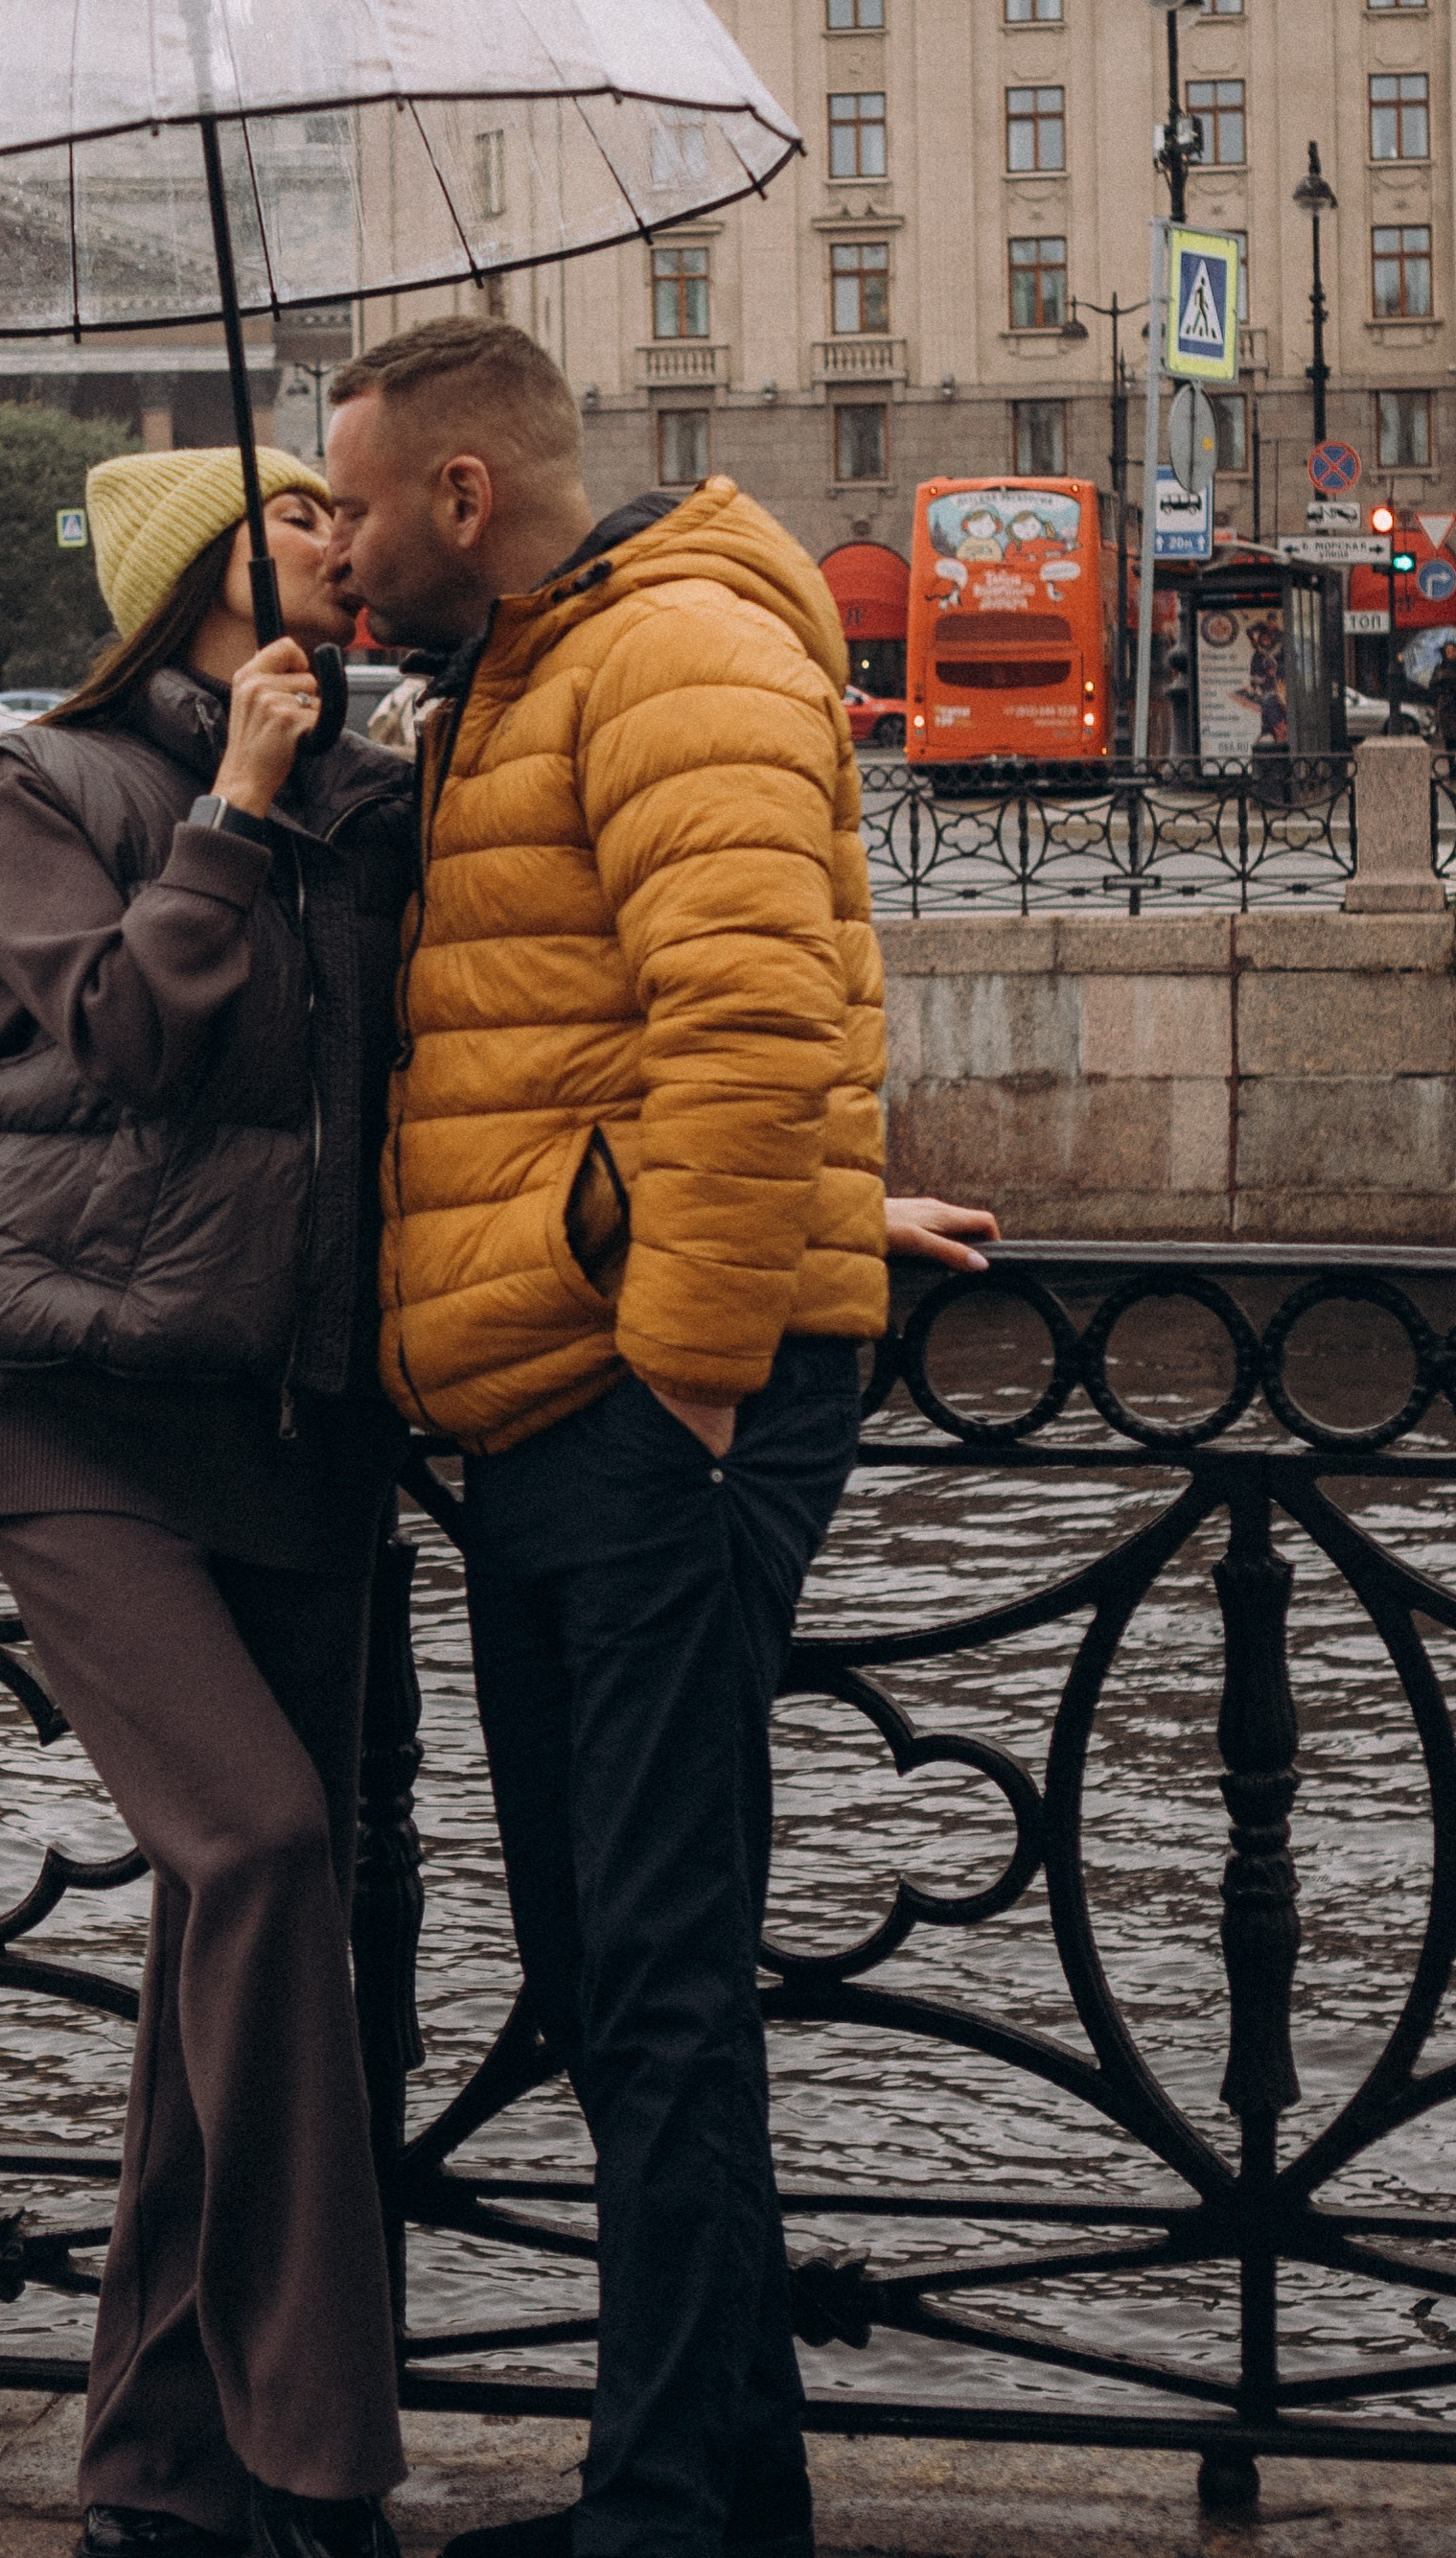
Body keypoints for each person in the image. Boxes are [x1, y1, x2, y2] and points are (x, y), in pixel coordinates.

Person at [319, 316, 995, 2558]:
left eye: (353, 508)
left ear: (461, 495)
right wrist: (795, 1210)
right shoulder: (527, 672)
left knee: (659, 1973)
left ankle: (671, 2510)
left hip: (648, 1407)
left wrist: (695, 1359)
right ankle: (711, 2484)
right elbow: (596, 1020)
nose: (337, 554)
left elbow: (749, 1009)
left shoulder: (671, 645)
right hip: (561, 1393)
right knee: (613, 1968)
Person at [0, 446, 417, 2558]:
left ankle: (154, 2470)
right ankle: (316, 2461)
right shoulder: (50, 785)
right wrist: (232, 810)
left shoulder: (376, 806)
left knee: (242, 1924)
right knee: (263, 1845)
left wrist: (822, 1198)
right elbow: (119, 1031)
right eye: (295, 515)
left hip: (291, 1422)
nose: (338, 540)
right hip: (72, 1410)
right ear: (194, 566)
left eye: (345, 514)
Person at [1426, 640, 1456, 768]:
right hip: (1446, 705)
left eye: (1453, 651)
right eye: (1448, 651)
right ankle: (1451, 766)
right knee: (1449, 738)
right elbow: (1432, 685)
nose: (1451, 654)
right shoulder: (1440, 667)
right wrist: (1441, 684)